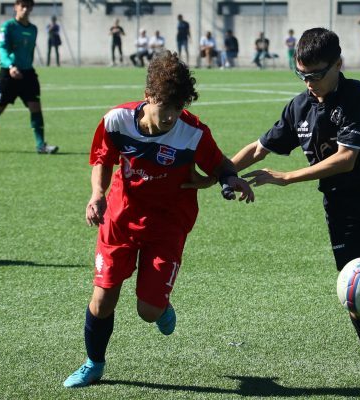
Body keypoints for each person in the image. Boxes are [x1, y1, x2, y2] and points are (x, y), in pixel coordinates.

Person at [230, 27, 360, 386]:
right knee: (354, 290)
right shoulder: (299, 107)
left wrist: (287, 177)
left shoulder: (357, 96)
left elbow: (345, 159)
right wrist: (220, 173)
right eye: (301, 74)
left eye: (316, 75)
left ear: (338, 64)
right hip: (341, 206)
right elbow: (259, 148)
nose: (309, 83)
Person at [63, 50, 255, 388]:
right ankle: (94, 363)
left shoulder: (192, 132)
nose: (172, 117)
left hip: (168, 224)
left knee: (147, 312)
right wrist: (96, 195)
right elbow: (102, 159)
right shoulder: (116, 120)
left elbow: (220, 164)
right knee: (103, 298)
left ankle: (161, 305)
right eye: (166, 107)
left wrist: (228, 180)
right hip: (120, 219)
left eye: (179, 108)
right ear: (149, 97)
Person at [0, 0, 58, 154]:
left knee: (35, 107)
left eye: (28, 6)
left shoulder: (33, 29)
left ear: (31, 8)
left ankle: (41, 145)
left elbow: (30, 52)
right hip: (9, 73)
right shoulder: (7, 27)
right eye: (22, 6)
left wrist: (26, 68)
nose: (25, 9)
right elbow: (3, 49)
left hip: (27, 74)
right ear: (16, 7)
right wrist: (11, 66)